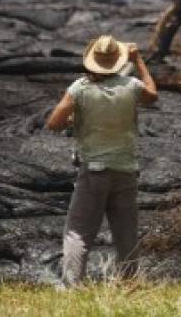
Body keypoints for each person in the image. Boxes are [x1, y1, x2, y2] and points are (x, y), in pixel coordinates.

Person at [46, 35, 158, 285]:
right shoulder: (131, 86)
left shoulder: (80, 88)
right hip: (126, 169)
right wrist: (139, 60)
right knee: (126, 232)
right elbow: (152, 94)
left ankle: (73, 286)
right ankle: (129, 283)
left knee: (78, 231)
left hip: (93, 171)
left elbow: (53, 123)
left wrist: (76, 118)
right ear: (118, 61)